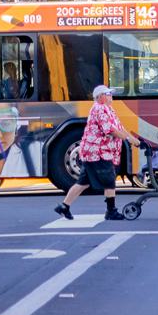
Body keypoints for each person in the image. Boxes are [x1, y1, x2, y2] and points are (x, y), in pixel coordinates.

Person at [55, 85, 139, 221]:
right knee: (109, 179)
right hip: (98, 152)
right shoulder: (99, 109)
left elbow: (119, 128)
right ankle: (111, 211)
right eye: (108, 94)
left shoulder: (108, 109)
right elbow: (110, 130)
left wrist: (133, 139)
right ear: (100, 97)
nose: (111, 96)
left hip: (94, 152)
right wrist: (130, 139)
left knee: (83, 182)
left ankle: (64, 207)